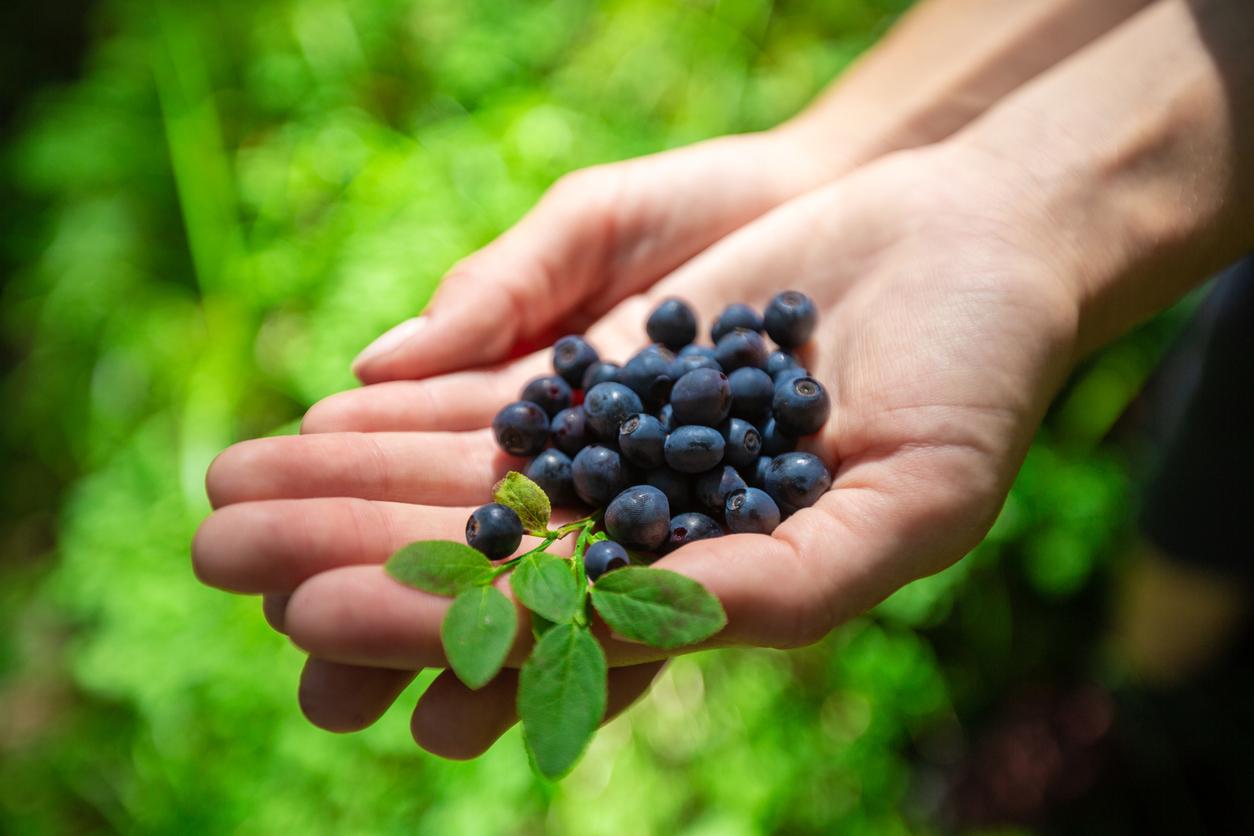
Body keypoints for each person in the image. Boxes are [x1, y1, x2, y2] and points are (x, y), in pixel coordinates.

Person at [192, 0, 1254, 760]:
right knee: (1208, 489)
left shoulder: (701, 422)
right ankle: (1135, 699)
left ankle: (1146, 706)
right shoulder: (643, 425)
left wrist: (1026, 212)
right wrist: (843, 153)